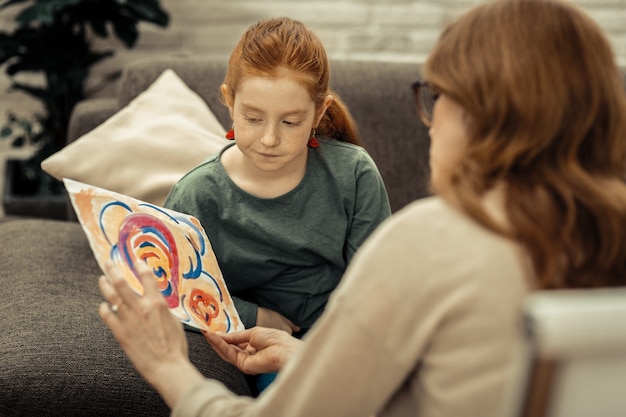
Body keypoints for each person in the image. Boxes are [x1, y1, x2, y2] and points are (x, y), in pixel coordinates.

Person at [97, 0, 626, 416]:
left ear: (482, 117)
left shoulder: (428, 244)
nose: (430, 121)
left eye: (438, 98)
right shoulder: (607, 237)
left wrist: (168, 367)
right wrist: (305, 357)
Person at [162, 17, 391, 340]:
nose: (269, 139)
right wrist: (254, 317)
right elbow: (171, 295)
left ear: (319, 113)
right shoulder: (198, 195)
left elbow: (378, 285)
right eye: (253, 118)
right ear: (229, 101)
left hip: (348, 337)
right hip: (264, 344)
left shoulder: (354, 174)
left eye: (291, 122)